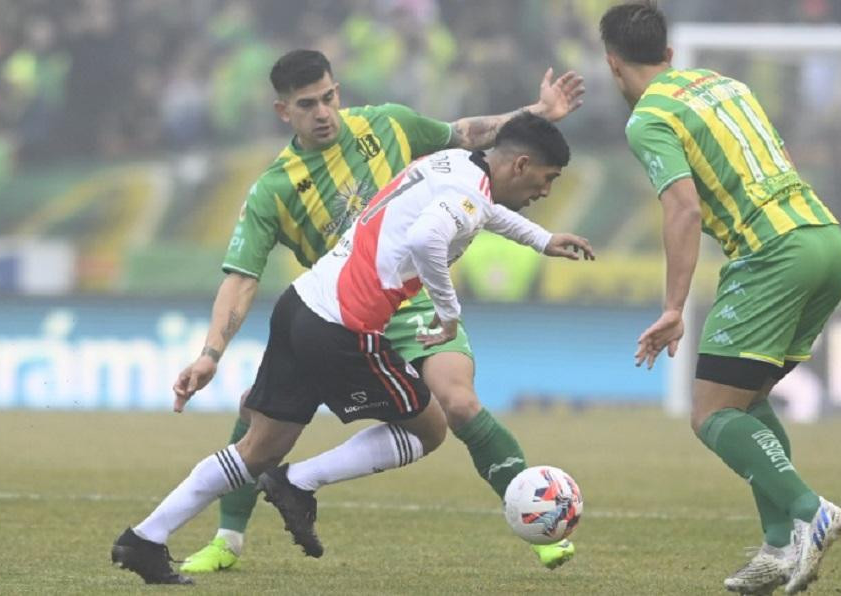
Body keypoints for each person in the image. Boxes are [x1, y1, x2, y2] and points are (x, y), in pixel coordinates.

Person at [111, 113, 595, 585]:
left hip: (301, 304)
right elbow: (430, 239)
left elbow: (479, 213)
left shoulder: (457, 164)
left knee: (256, 449)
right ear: (520, 164)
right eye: (547, 179)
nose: (546, 191)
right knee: (428, 427)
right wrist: (448, 314)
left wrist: (542, 239)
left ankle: (144, 539)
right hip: (342, 326)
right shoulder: (468, 190)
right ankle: (298, 482)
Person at [598, 4, 841, 594]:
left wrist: (672, 307)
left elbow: (683, 208)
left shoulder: (648, 118)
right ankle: (777, 547)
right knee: (746, 398)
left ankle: (810, 511)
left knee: (710, 412)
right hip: (826, 240)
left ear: (614, 65)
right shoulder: (726, 85)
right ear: (668, 51)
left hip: (772, 254)